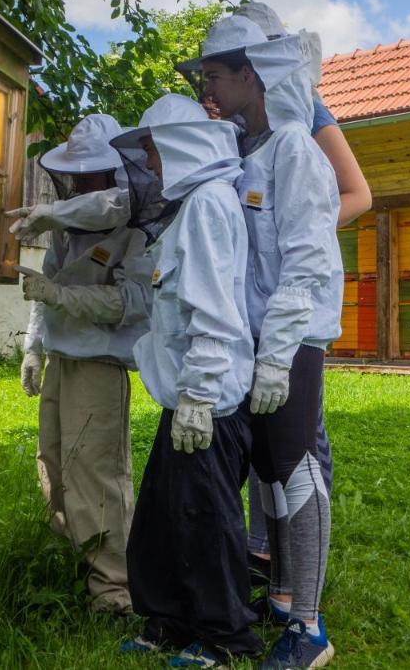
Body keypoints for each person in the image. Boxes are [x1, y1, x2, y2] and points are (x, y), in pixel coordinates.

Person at [186, 13, 342, 668]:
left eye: (216, 76)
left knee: (294, 469)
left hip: (294, 337)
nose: (208, 90)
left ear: (252, 75)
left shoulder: (294, 151)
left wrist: (278, 353)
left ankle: (308, 630)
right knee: (268, 478)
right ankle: (280, 600)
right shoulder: (241, 155)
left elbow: (305, 261)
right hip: (257, 337)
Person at [112, 94, 262, 668]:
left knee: (206, 518)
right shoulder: (194, 206)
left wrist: (199, 393)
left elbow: (215, 310)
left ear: (179, 145)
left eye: (152, 149)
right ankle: (170, 622)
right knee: (163, 516)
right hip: (187, 395)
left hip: (210, 400)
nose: (149, 164)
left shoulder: (205, 205)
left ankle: (226, 639)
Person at [11, 114, 152, 615]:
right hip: (62, 361)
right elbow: (41, 289)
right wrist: (34, 346)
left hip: (100, 364)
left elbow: (131, 303)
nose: (83, 183)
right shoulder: (65, 227)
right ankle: (77, 562)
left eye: (94, 174)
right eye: (78, 175)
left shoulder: (135, 226)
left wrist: (61, 295)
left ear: (116, 173)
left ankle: (114, 590)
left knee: (98, 473)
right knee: (53, 462)